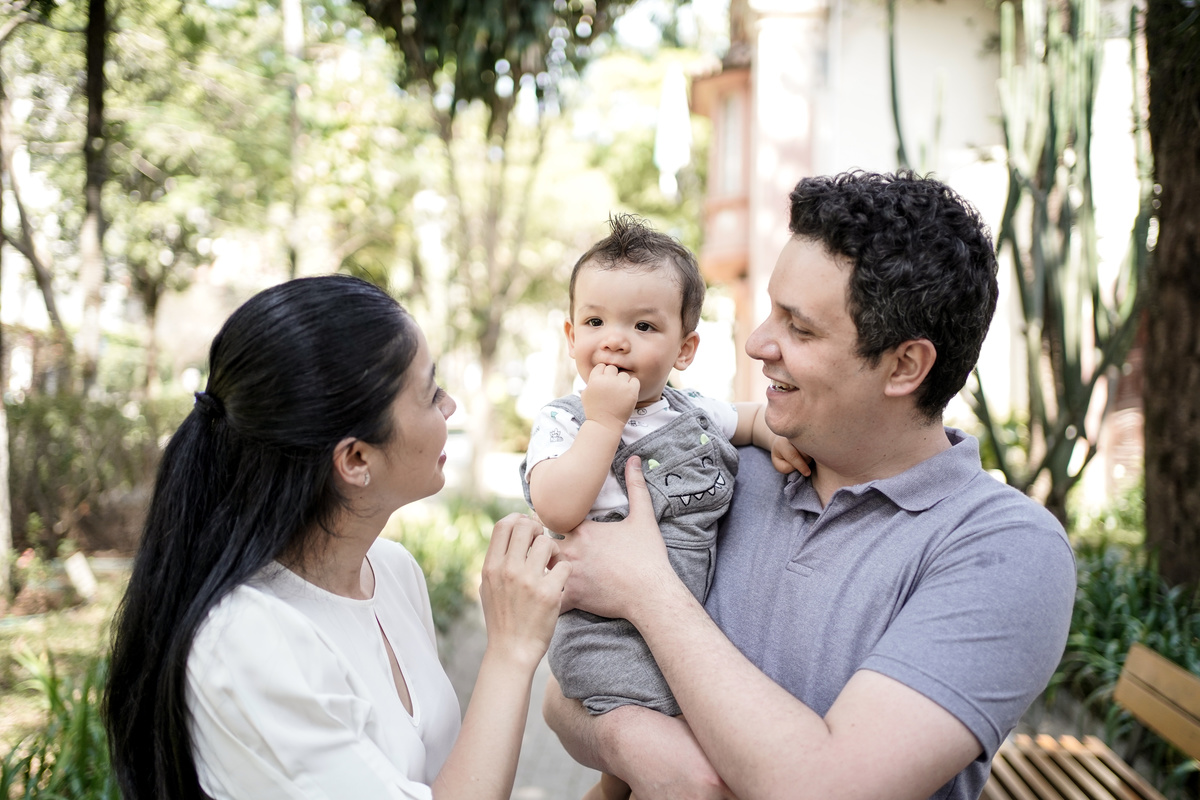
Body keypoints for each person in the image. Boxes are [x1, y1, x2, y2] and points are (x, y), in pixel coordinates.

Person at [543, 171, 1077, 800]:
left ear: (905, 365)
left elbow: (828, 788)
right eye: (771, 310)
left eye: (799, 328)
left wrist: (648, 592)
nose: (757, 343)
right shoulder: (720, 465)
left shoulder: (1004, 550)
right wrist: (633, 744)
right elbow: (563, 694)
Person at [104, 275, 569, 800]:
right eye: (429, 392)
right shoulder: (246, 641)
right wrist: (510, 649)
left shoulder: (392, 571)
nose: (450, 406)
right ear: (355, 460)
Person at [521, 216, 807, 798]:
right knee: (672, 733)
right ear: (571, 334)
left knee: (693, 717)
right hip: (607, 632)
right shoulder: (564, 421)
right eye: (596, 321)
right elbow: (555, 506)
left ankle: (611, 786)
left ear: (684, 348)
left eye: (643, 325)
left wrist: (774, 437)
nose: (615, 339)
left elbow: (746, 418)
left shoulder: (691, 409)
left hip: (679, 619)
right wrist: (604, 421)